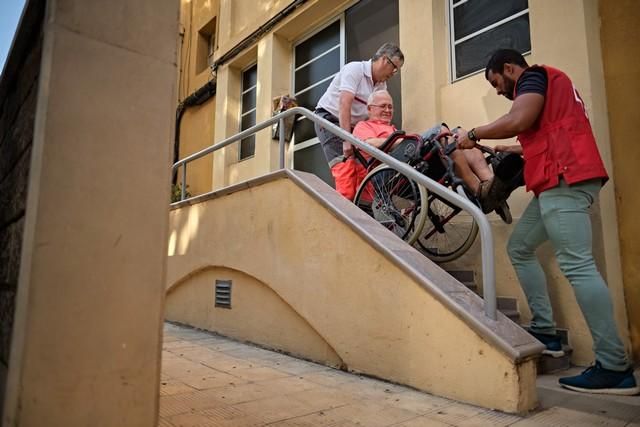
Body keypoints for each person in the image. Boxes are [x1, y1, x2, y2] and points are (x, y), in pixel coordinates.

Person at [456, 49, 638, 395]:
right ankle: (546, 332)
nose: (499, 91)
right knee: (520, 246)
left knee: (578, 265)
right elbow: (545, 129)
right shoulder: (550, 88)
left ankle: (614, 366)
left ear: (509, 69)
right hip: (556, 181)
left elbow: (521, 119)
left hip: (564, 178)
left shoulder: (534, 76)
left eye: (497, 83)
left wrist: (475, 135)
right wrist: (515, 148)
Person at [353, 90, 510, 222]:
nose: (388, 110)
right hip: (391, 174)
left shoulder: (392, 128)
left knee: (460, 138)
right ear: (369, 109)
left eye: (390, 107)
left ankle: (491, 185)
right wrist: (399, 141)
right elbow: (369, 143)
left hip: (412, 163)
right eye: (383, 106)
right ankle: (478, 191)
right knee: (441, 130)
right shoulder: (363, 126)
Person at [314, 43, 403, 201]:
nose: (394, 73)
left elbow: (378, 116)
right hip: (329, 119)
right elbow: (344, 104)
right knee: (346, 169)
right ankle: (342, 213)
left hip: (353, 126)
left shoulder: (381, 85)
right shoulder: (355, 69)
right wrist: (347, 140)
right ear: (385, 60)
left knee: (363, 169)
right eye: (395, 68)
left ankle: (364, 213)